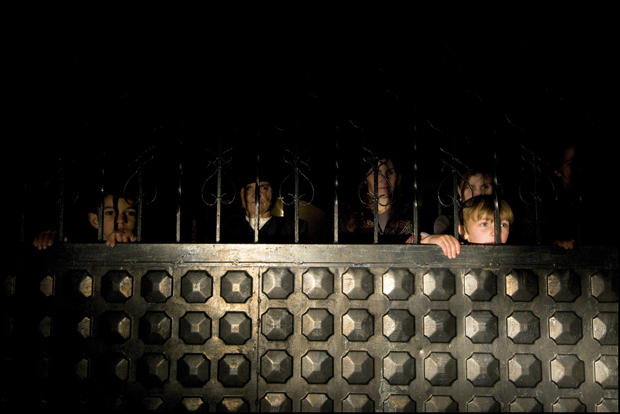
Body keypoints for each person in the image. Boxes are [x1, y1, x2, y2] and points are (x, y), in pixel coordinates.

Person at [340, 153, 462, 258]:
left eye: (390, 172)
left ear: (398, 178)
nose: (384, 179)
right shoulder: (348, 215)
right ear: (365, 179)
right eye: (376, 172)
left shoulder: (415, 214)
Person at [219, 169, 309, 243]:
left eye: (263, 188)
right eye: (249, 189)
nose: (256, 195)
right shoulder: (226, 228)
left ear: (272, 194)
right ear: (241, 195)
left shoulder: (294, 228)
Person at [33, 191, 139, 249]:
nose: (120, 220)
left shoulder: (141, 245)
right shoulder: (80, 246)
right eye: (110, 213)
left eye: (130, 213)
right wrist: (48, 241)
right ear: (95, 220)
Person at [434, 168, 495, 236]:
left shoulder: (503, 217)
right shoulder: (446, 222)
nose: (479, 193)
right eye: (470, 187)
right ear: (459, 190)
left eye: (485, 187)